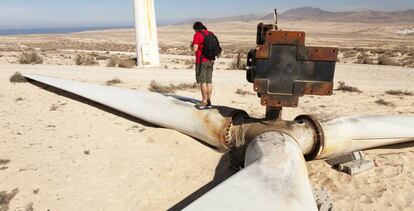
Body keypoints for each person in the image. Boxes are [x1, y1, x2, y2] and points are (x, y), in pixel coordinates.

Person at [191, 22, 214, 109]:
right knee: (209, 81)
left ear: (196, 29)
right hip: (211, 60)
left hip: (202, 61)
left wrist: (192, 45)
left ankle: (204, 101)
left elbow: (195, 49)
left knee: (202, 82)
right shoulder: (210, 33)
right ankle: (209, 101)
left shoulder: (197, 35)